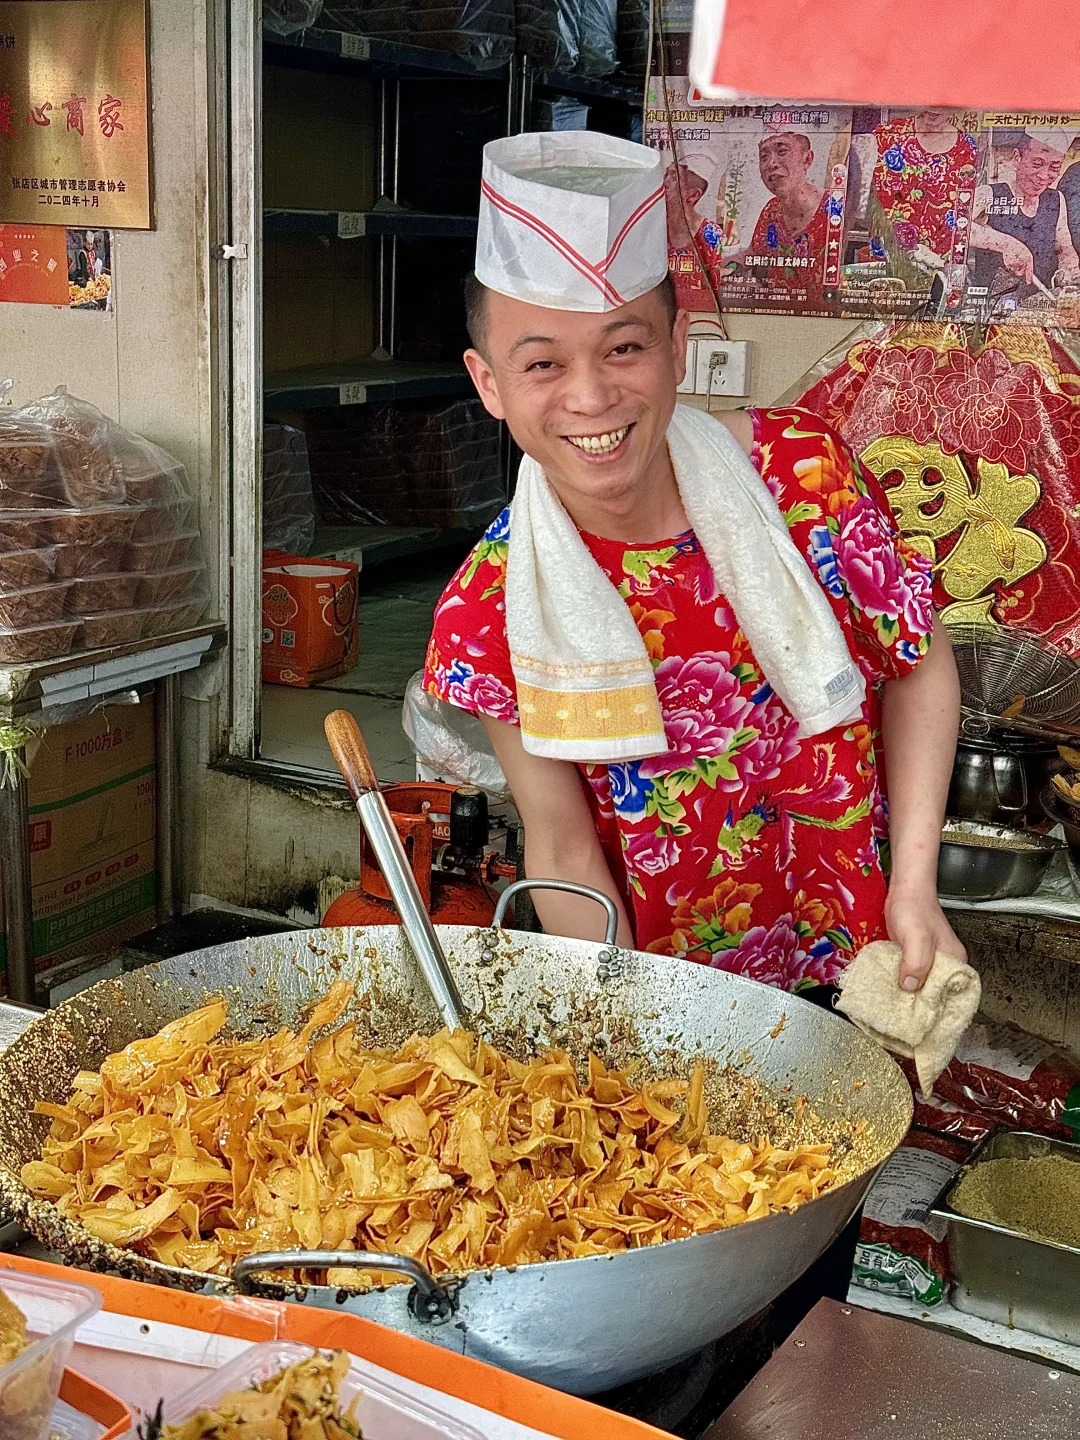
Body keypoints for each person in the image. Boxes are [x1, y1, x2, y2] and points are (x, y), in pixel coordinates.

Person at [425, 131, 964, 995]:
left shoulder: (801, 477)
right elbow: (560, 845)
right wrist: (627, 1020)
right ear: (488, 383)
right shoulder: (489, 607)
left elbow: (917, 658)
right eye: (542, 364)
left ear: (677, 345)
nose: (591, 397)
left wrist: (914, 886)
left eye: (624, 348)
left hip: (862, 950)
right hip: (670, 998)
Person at [971, 129, 1080, 298]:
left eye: (1054, 167)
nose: (1043, 176)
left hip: (1040, 301)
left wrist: (1068, 267)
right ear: (1017, 158)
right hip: (992, 304)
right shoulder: (989, 194)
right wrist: (1005, 243)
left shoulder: (1056, 199)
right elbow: (955, 225)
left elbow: (1063, 246)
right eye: (1037, 164)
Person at [867, 109, 978, 272]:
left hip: (939, 261)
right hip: (889, 254)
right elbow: (859, 193)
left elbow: (964, 207)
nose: (934, 107)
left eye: (943, 101)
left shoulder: (965, 147)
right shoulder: (888, 134)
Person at [732, 132, 833, 291]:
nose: (771, 163)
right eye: (764, 157)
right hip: (776, 311)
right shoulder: (771, 211)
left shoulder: (835, 209)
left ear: (807, 159)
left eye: (782, 151)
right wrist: (720, 268)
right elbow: (751, 255)